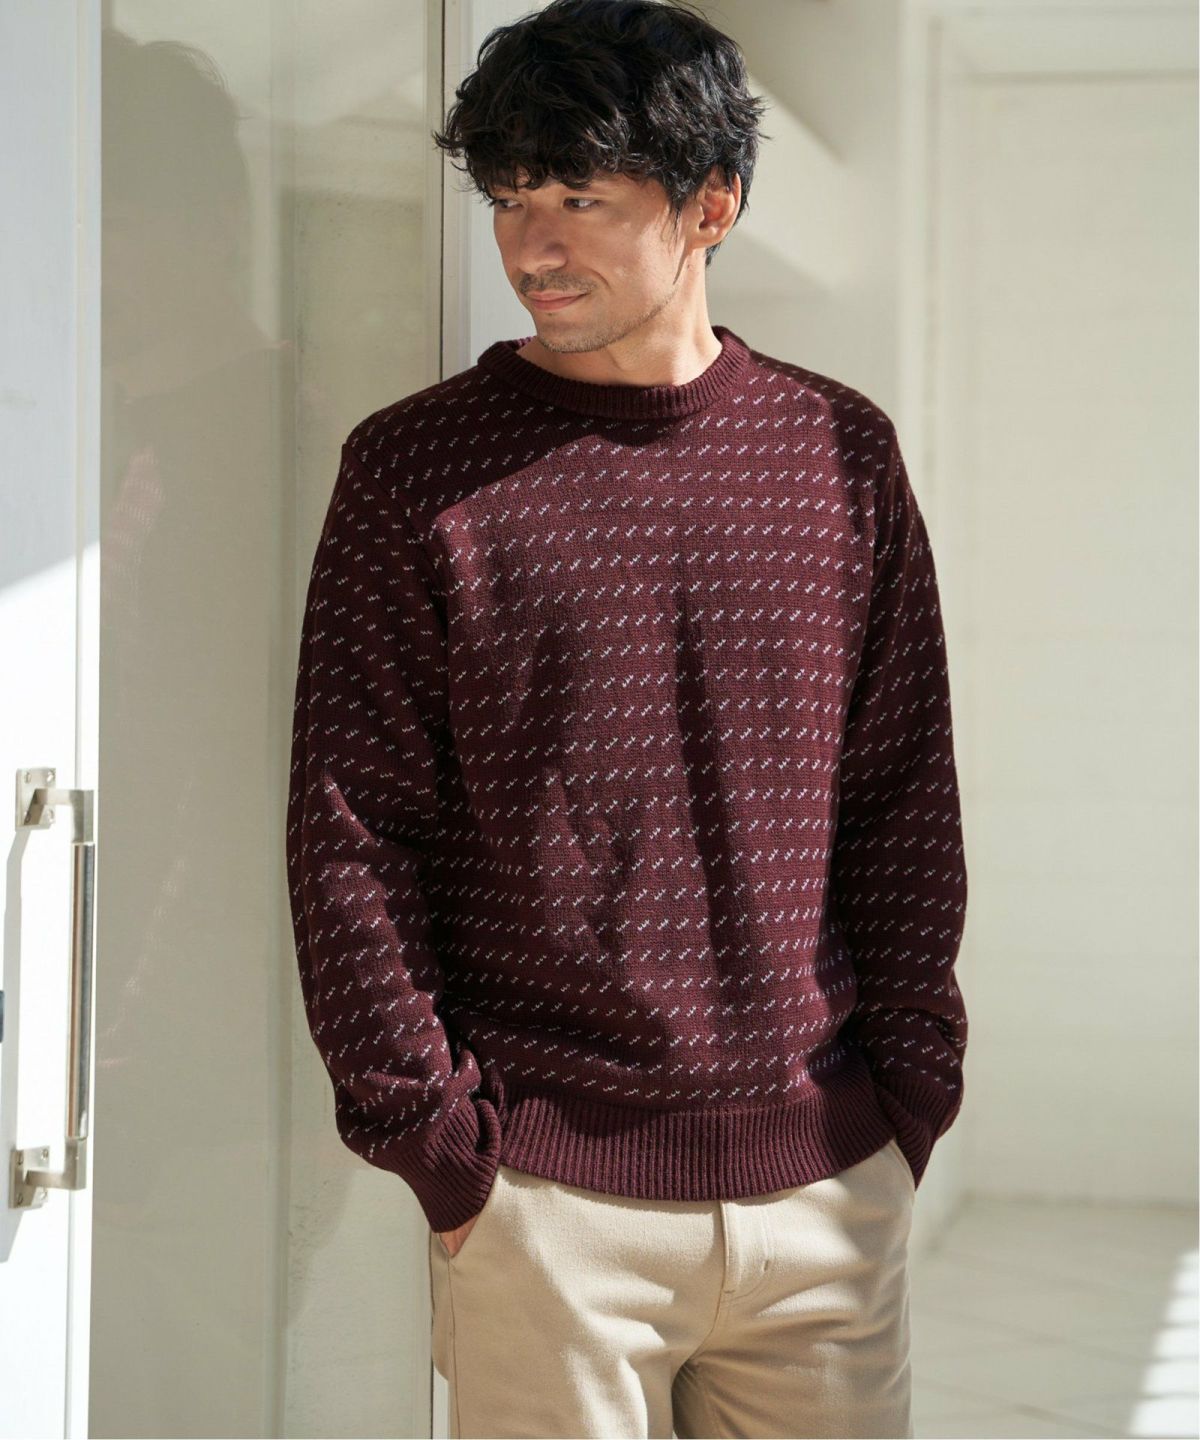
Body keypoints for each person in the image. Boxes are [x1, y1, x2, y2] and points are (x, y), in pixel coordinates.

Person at [286, 2, 968, 1435]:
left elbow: (903, 795)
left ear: (712, 204)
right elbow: (351, 829)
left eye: (579, 199)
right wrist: (439, 1146)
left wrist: (906, 1101)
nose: (531, 245)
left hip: (824, 1194)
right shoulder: (415, 471)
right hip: (547, 1205)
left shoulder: (839, 454)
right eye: (509, 198)